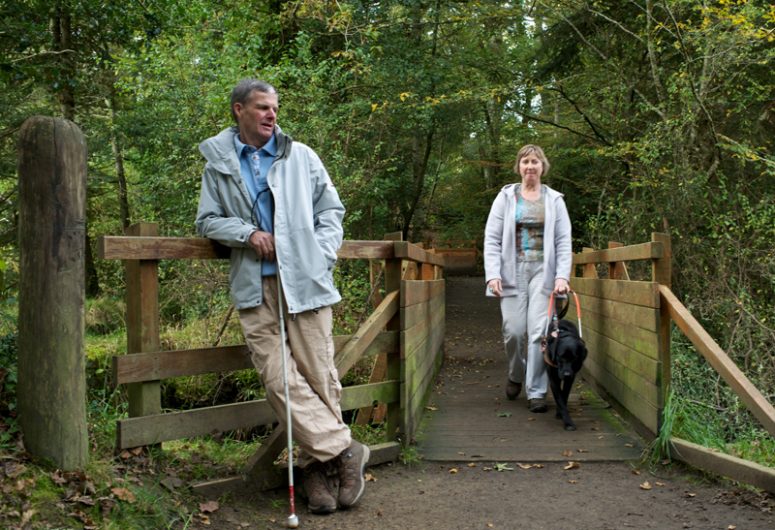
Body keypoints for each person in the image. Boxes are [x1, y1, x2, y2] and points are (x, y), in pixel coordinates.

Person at [195, 79, 369, 514]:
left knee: (320, 377)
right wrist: (247, 233)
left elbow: (332, 211)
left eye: (274, 108)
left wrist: (320, 254)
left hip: (306, 284)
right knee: (277, 378)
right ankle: (345, 451)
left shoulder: (301, 156)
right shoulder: (218, 163)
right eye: (261, 108)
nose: (272, 115)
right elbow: (207, 221)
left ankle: (316, 473)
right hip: (255, 287)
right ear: (238, 110)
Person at [483, 144, 572, 413]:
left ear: (542, 166)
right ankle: (516, 374)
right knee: (513, 331)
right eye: (525, 162)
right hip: (513, 270)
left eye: (535, 161)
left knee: (538, 333)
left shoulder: (554, 200)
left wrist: (562, 276)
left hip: (543, 273)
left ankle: (536, 391)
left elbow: (563, 241)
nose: (530, 166)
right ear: (519, 167)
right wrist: (493, 274)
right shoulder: (506, 197)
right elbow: (492, 238)